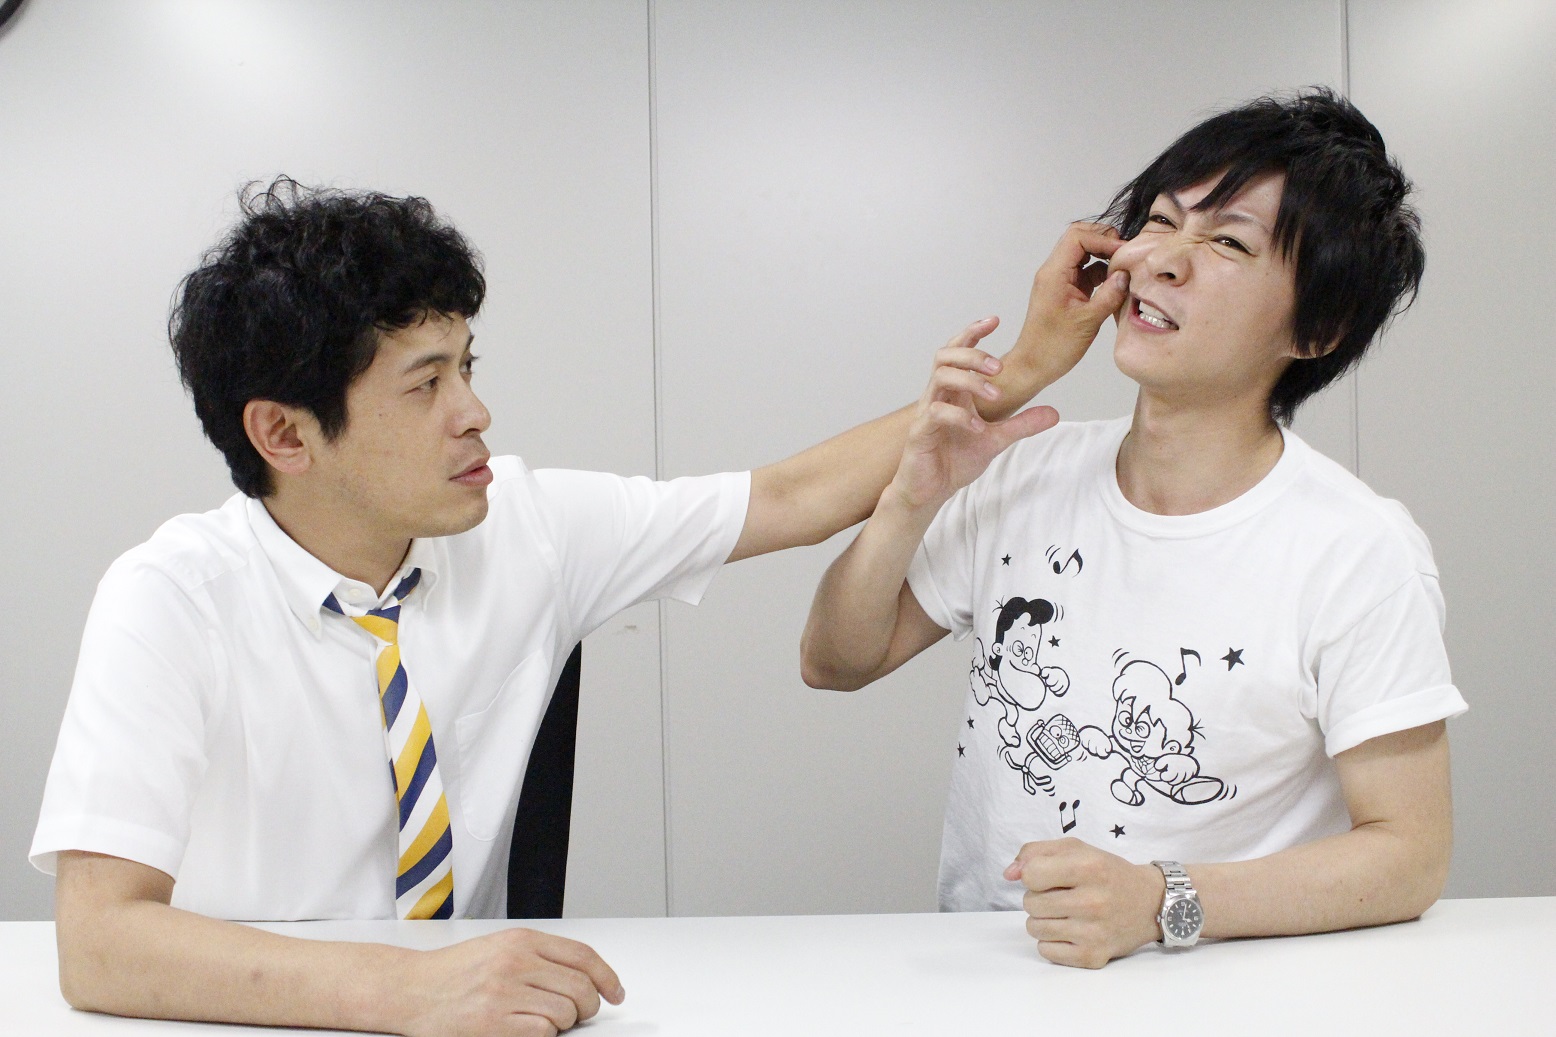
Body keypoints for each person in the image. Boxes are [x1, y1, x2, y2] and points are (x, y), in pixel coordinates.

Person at [29, 177, 1122, 1035]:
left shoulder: (526, 527)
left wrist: (1024, 366)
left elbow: (788, 496)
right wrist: (407, 989)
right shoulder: (170, 599)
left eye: (467, 365)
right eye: (425, 383)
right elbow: (100, 943)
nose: (476, 411)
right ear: (284, 434)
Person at [801, 88, 1465, 969]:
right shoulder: (1028, 468)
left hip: (1221, 990)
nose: (1162, 261)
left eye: (1229, 242)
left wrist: (1162, 900)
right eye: (1159, 220)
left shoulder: (1357, 550)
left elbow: (1409, 854)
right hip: (998, 980)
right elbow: (836, 660)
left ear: (1318, 329)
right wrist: (908, 500)